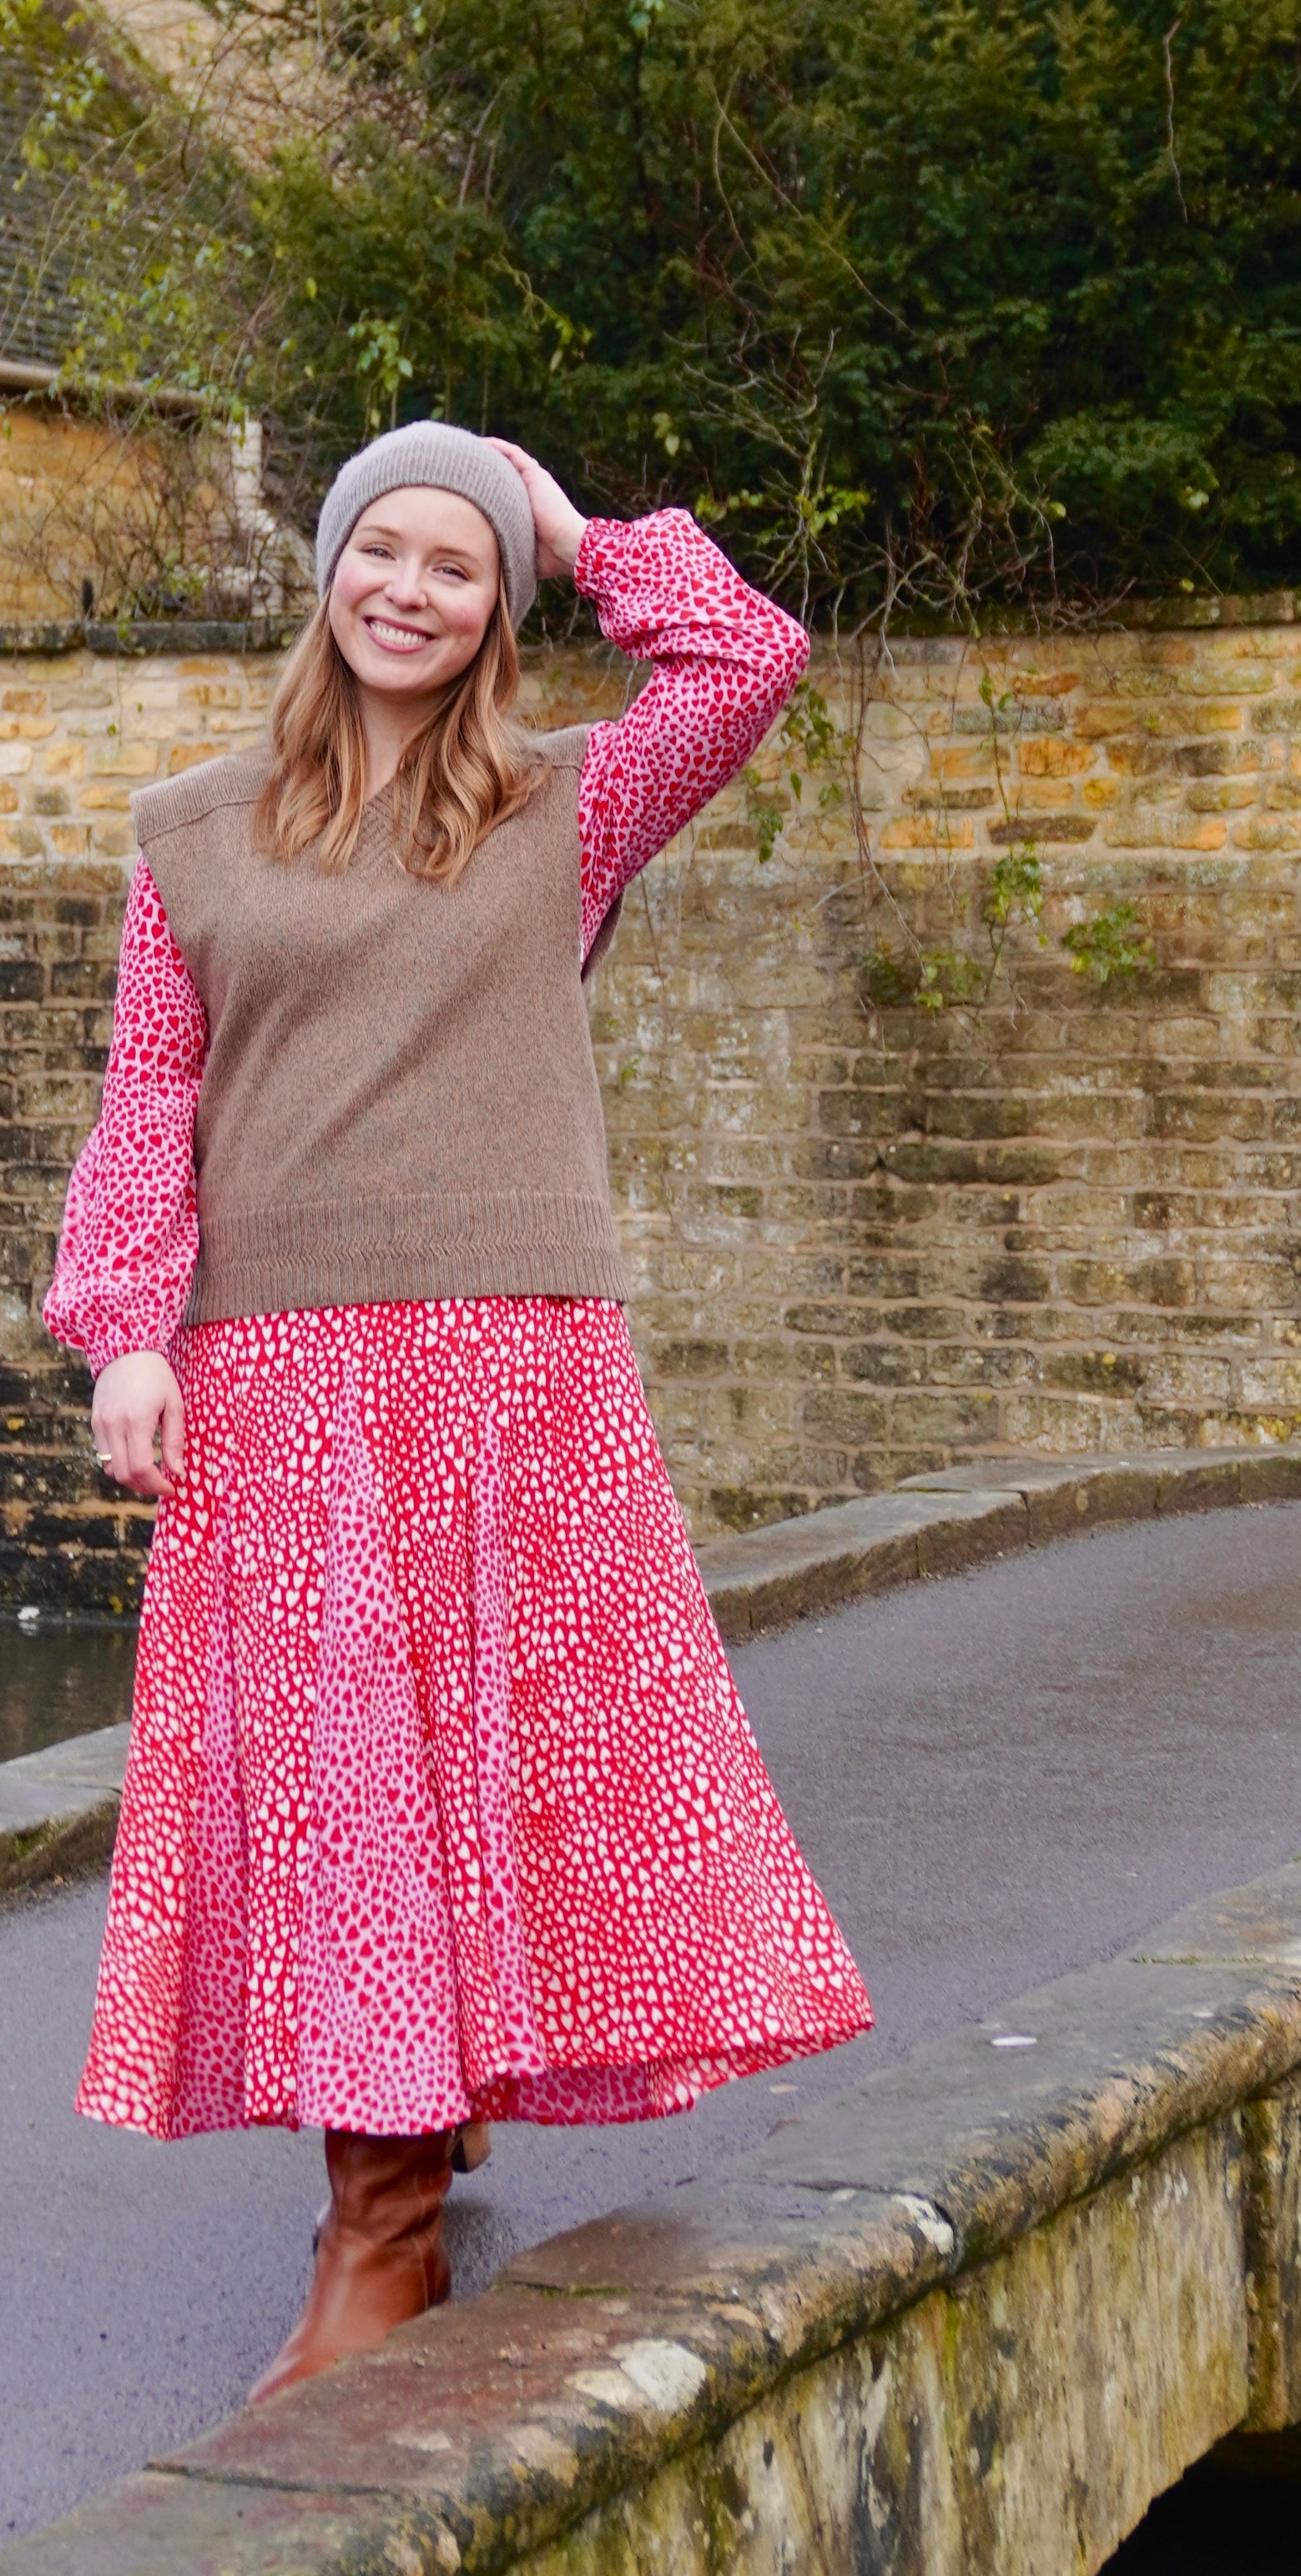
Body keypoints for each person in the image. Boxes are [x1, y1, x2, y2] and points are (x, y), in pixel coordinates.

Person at [44, 424, 874, 2395]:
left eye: (455, 563)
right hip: (282, 1364)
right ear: (325, 572)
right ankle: (382, 2216)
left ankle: (413, 2144)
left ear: (501, 608)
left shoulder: (564, 808)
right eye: (379, 551)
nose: (407, 589)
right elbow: (151, 1092)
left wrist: (569, 519)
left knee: (506, 1747)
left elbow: (746, 657)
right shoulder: (194, 828)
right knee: (344, 1782)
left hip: (513, 1357)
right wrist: (127, 1331)